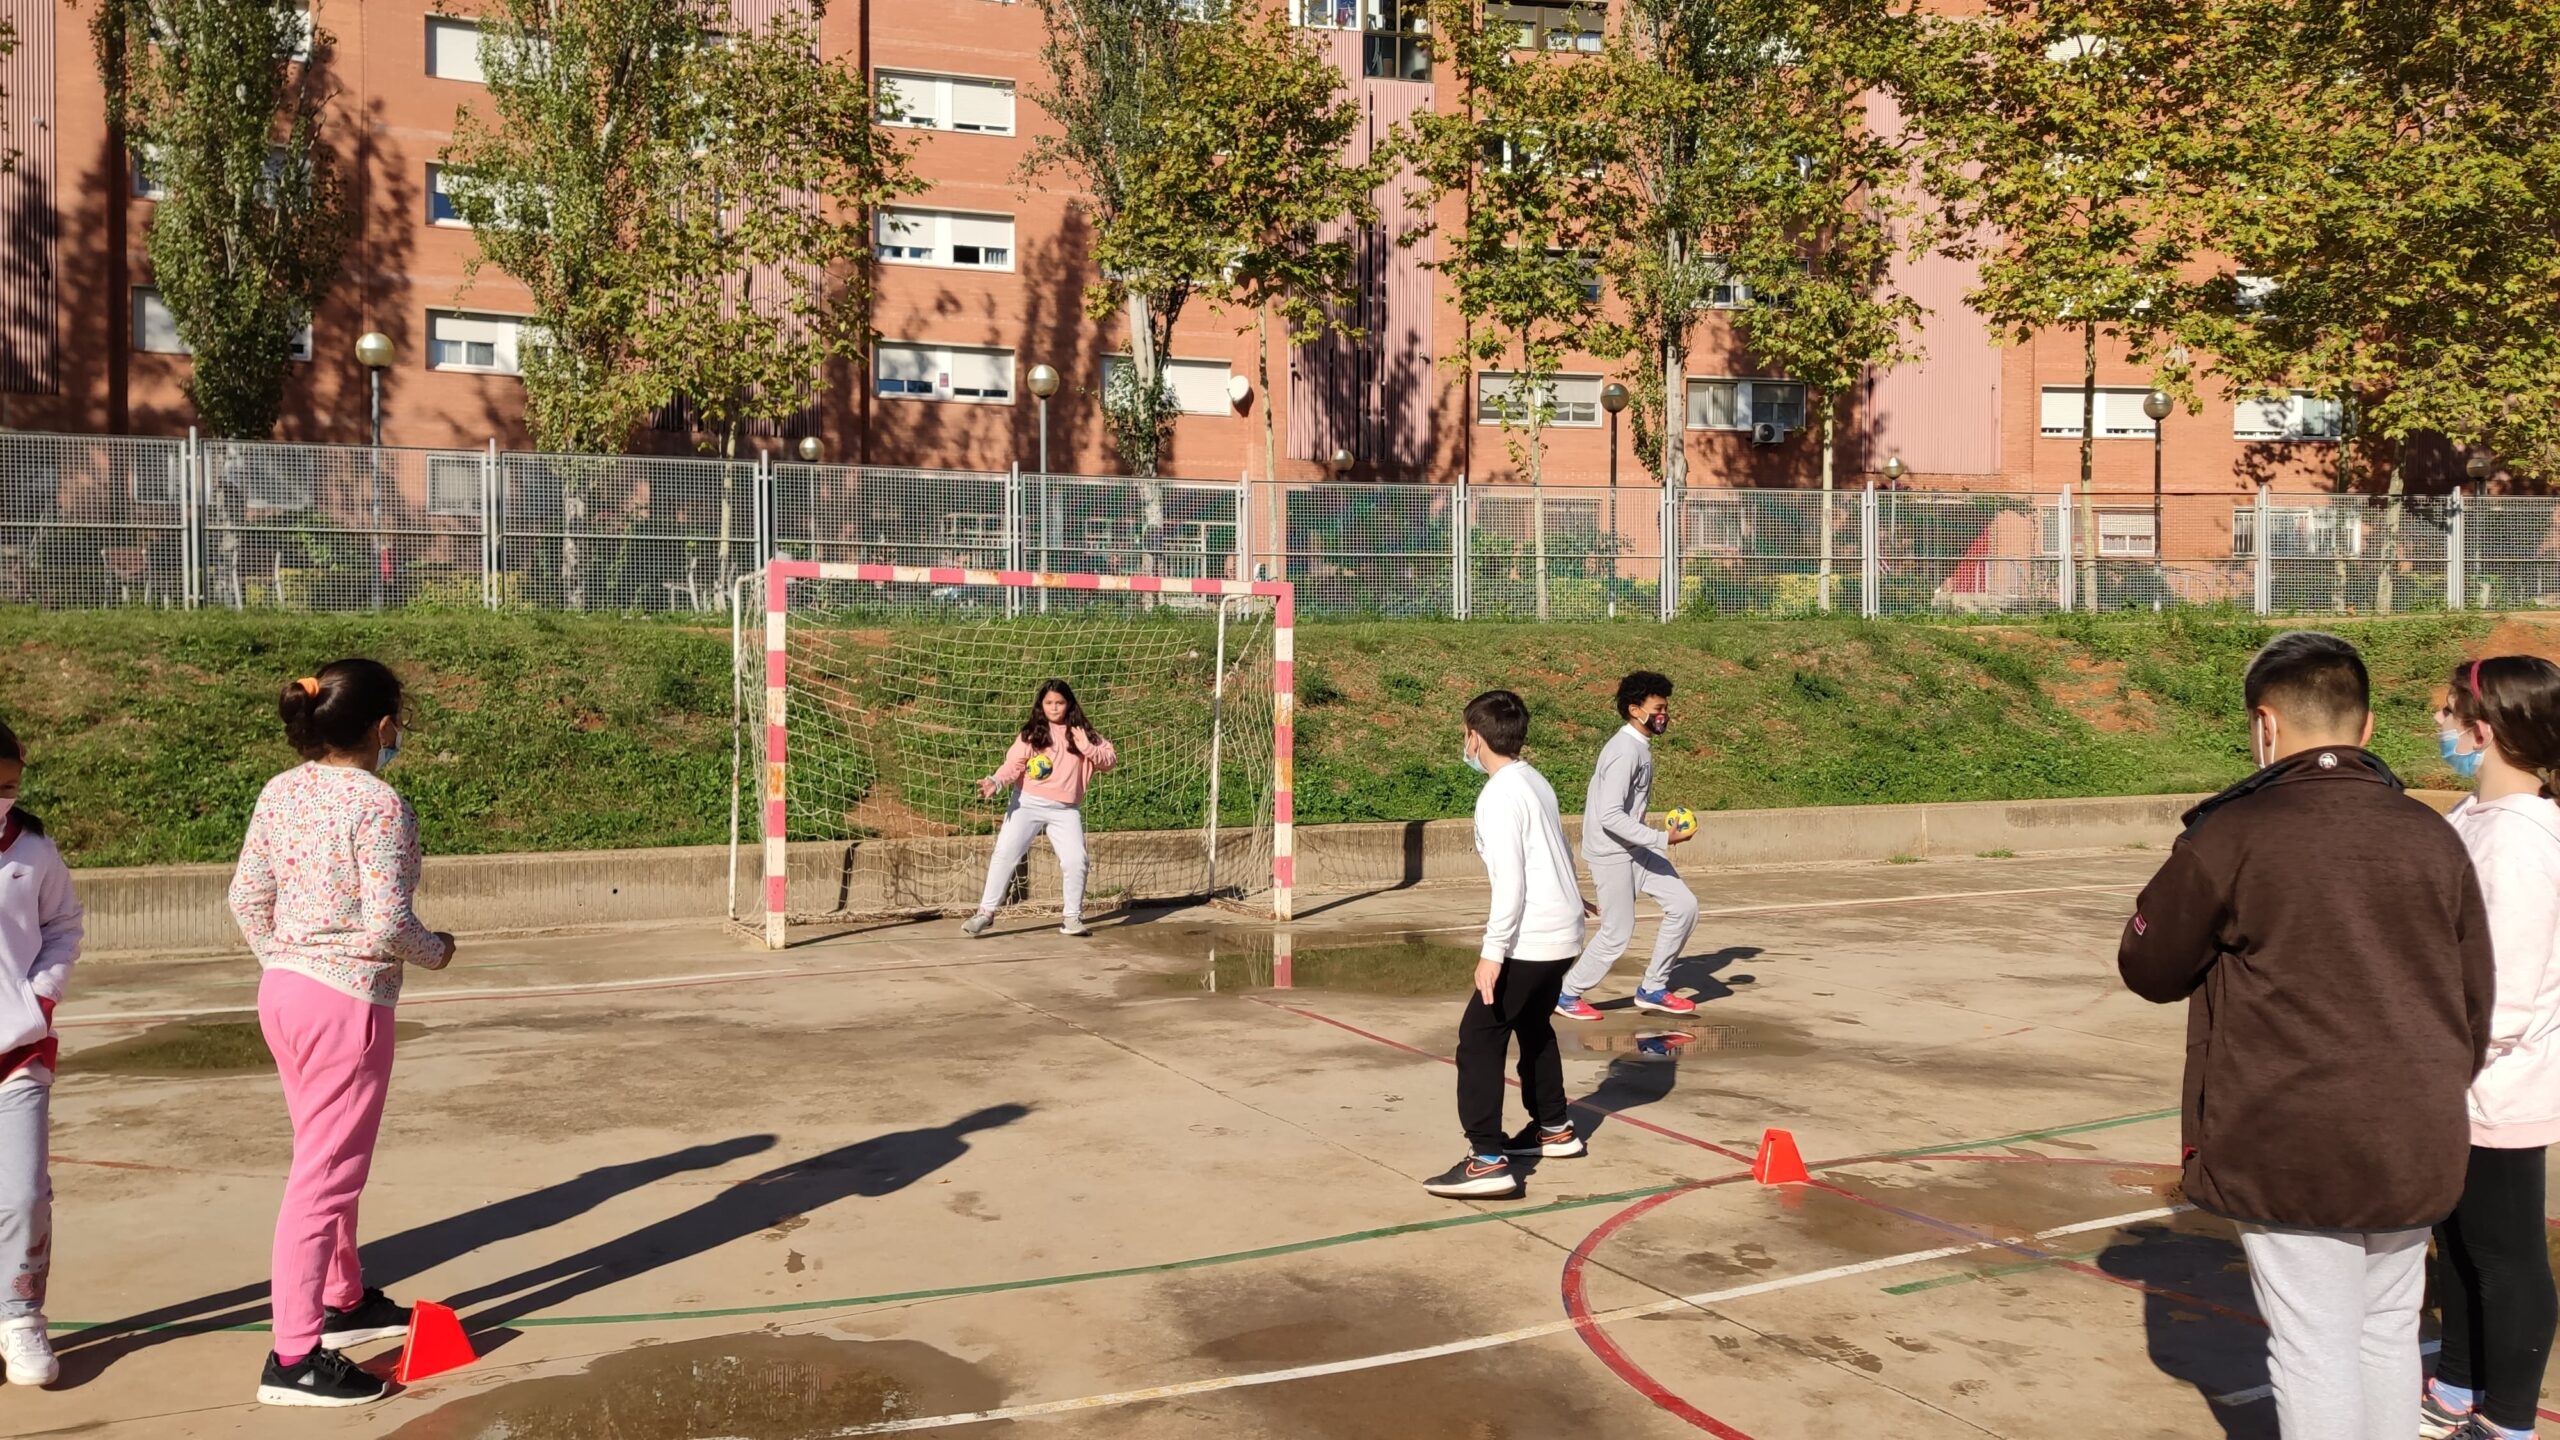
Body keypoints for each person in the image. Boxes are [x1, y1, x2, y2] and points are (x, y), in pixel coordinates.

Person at [2117, 631, 2491, 1440]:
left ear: (2266, 725)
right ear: (2366, 727)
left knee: (2312, 1343)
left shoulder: (2233, 834)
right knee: (2386, 1327)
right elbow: (2475, 999)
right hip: (2416, 1131)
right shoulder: (2432, 834)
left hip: (2294, 1135)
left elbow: (2149, 964)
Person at [230, 660, 455, 1408]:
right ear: (383, 728)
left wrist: (287, 960)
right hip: (345, 1002)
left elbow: (246, 896)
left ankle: (342, 1298)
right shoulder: (380, 805)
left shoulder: (281, 790)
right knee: (324, 1176)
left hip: (284, 992)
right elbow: (388, 923)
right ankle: (294, 1356)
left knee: (322, 1155)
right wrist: (438, 950)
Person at [2420, 656, 2560, 1440]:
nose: (2438, 723)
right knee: (2459, 1244)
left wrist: (2444, 1053)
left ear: (2486, 730)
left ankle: (2507, 1420)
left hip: (2497, 1082)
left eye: (2449, 712)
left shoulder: (2524, 839)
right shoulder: (2472, 817)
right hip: (2456, 1077)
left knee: (2506, 1255)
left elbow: (2505, 991)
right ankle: (2456, 1382)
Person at [1426, 689, 1588, 1199]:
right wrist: (1573, 895)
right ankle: (1553, 1128)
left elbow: (1512, 881)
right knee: (1533, 1025)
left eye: (1465, 735)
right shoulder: (1533, 779)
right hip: (1562, 934)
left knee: (1479, 1037)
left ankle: (1486, 1159)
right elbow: (1554, 847)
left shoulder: (1497, 796)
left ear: (1475, 738)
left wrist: (1492, 953)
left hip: (1531, 938)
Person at [0, 719, 82, 1389]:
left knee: (24, 1195)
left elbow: (63, 926)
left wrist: (40, 999)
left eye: (10, 787)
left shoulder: (33, 851)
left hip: (17, 1054)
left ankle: (22, 1315)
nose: (3, 799)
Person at [1556, 671, 1698, 1022]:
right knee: (1616, 933)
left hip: (1635, 849)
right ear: (1636, 710)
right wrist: (1662, 839)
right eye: (1658, 708)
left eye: (1665, 708)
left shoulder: (1639, 747)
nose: (1664, 715)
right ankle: (1566, 994)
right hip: (1612, 853)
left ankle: (1653, 988)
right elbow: (1609, 815)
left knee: (1684, 906)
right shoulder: (1624, 751)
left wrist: (1650, 839)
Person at [964, 680, 1117, 939]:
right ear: (1041, 705)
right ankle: (985, 913)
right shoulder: (1032, 733)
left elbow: (1109, 761)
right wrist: (996, 781)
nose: (1054, 707)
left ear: (1069, 704)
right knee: (1005, 854)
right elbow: (1013, 765)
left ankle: (1072, 918)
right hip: (1027, 804)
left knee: (1077, 861)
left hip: (1066, 810)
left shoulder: (1083, 734)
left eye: (1059, 702)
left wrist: (1087, 748)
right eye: (1049, 703)